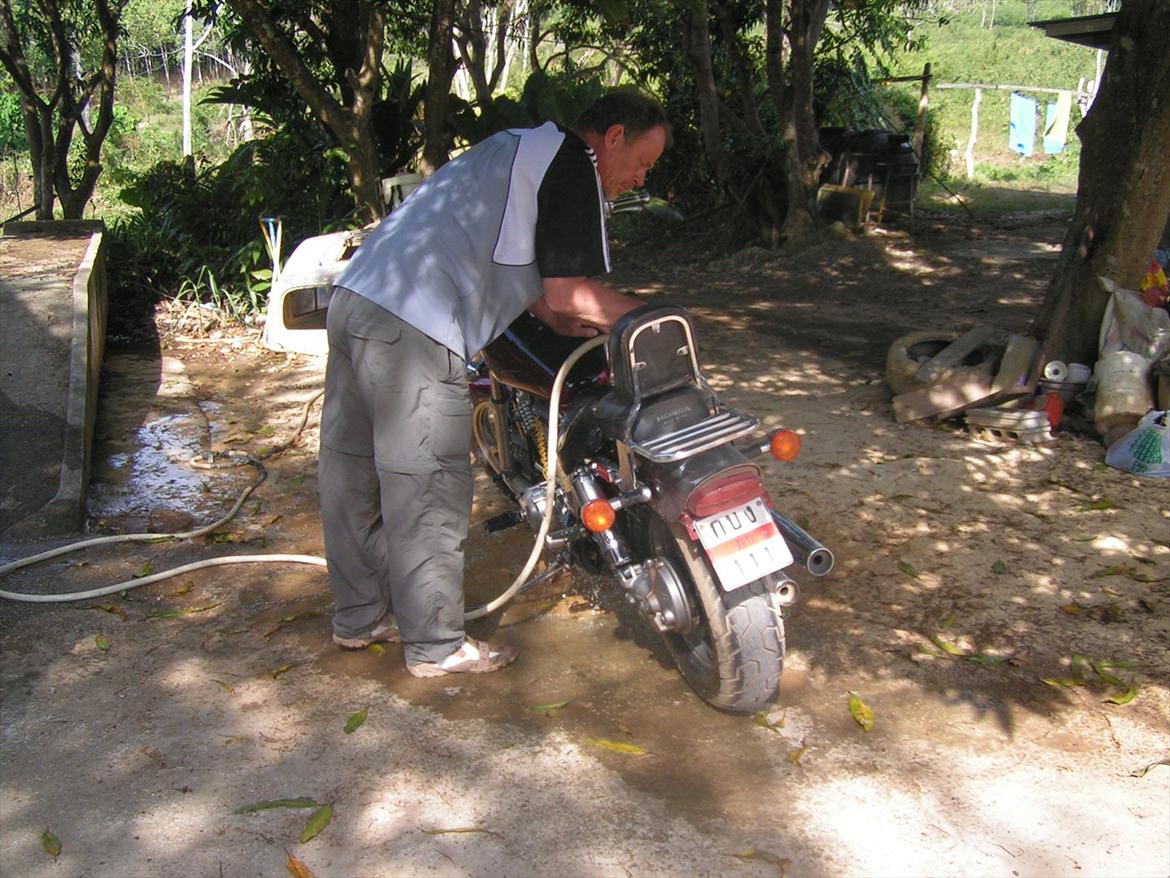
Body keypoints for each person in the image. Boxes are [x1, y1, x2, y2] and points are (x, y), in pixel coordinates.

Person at [318, 90, 670, 677]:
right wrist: (663, 317)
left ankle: (359, 616)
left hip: (357, 296)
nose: (638, 178)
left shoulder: (517, 151)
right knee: (427, 484)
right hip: (414, 318)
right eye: (642, 162)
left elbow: (551, 308)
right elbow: (567, 296)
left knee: (350, 471)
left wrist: (602, 316)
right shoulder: (572, 164)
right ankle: (435, 646)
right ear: (611, 137)